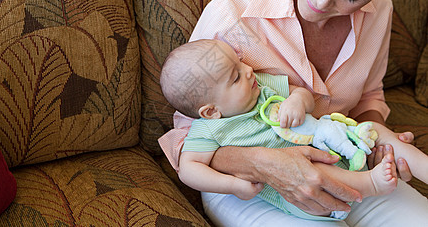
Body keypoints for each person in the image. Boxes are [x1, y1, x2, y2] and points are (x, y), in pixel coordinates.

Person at [158, 0, 428, 225]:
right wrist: (264, 165)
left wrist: (379, 143)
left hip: (342, 155)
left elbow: (369, 95)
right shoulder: (234, 14)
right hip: (254, 187)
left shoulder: (378, 9)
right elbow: (188, 136)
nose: (322, 2)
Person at [160, 39, 417, 221]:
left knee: (374, 129)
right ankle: (370, 184)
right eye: (236, 77)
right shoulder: (209, 130)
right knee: (312, 168)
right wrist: (231, 185)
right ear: (210, 111)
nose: (249, 70)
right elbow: (189, 170)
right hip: (303, 195)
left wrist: (297, 101)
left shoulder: (261, 88)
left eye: (240, 63)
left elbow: (301, 93)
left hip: (335, 149)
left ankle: (423, 166)